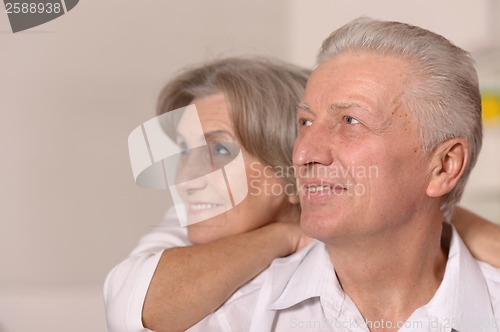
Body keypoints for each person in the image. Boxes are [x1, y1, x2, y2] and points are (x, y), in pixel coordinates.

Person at [104, 56, 500, 332]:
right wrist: (283, 236)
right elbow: (135, 306)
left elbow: (407, 203)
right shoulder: (193, 250)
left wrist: (457, 221)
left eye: (219, 150)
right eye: (183, 153)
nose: (185, 177)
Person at [249, 17, 500, 331]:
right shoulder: (233, 315)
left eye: (350, 121)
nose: (303, 154)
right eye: (305, 122)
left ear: (444, 166)